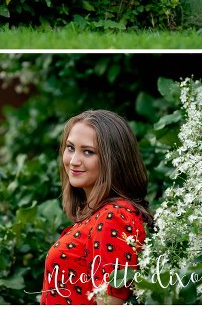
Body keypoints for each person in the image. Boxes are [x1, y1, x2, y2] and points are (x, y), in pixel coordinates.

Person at [41, 110, 153, 305]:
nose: (74, 161)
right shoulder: (98, 215)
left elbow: (109, 304)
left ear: (113, 160)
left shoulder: (114, 218)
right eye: (70, 148)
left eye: (88, 152)